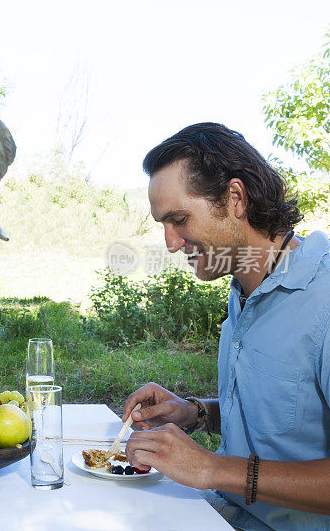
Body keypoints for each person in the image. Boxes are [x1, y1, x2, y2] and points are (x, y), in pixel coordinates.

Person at [120, 122, 330, 531]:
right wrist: (194, 412)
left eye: (179, 219)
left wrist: (215, 469)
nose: (170, 243)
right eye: (163, 224)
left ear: (235, 198)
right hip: (220, 513)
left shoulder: (323, 299)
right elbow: (286, 421)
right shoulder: (244, 283)